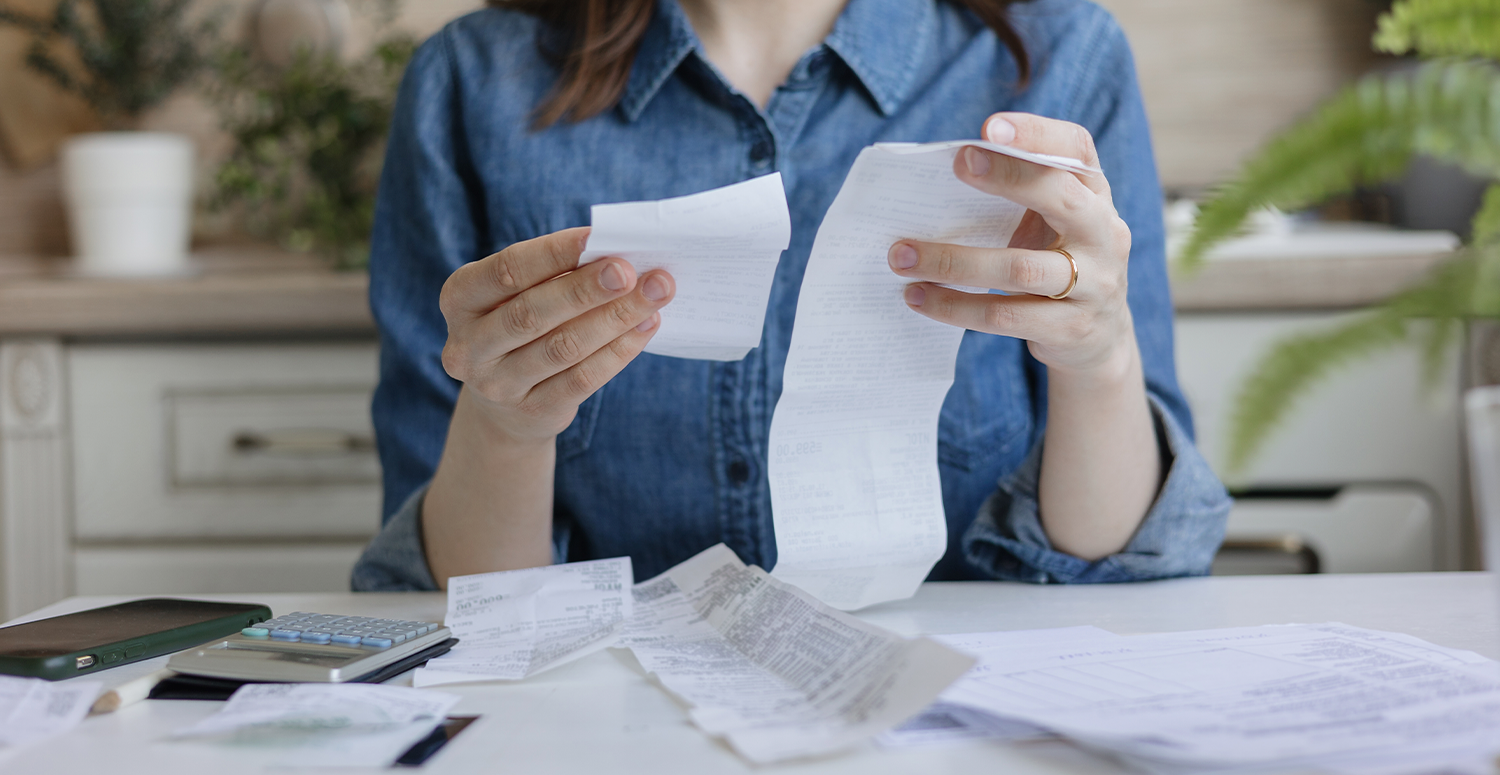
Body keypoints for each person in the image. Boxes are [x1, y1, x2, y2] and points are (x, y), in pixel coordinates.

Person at [352, 0, 1232, 592]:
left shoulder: (1062, 56)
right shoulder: (469, 85)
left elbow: (1112, 565)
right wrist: (508, 421)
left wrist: (1099, 357)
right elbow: (471, 602)